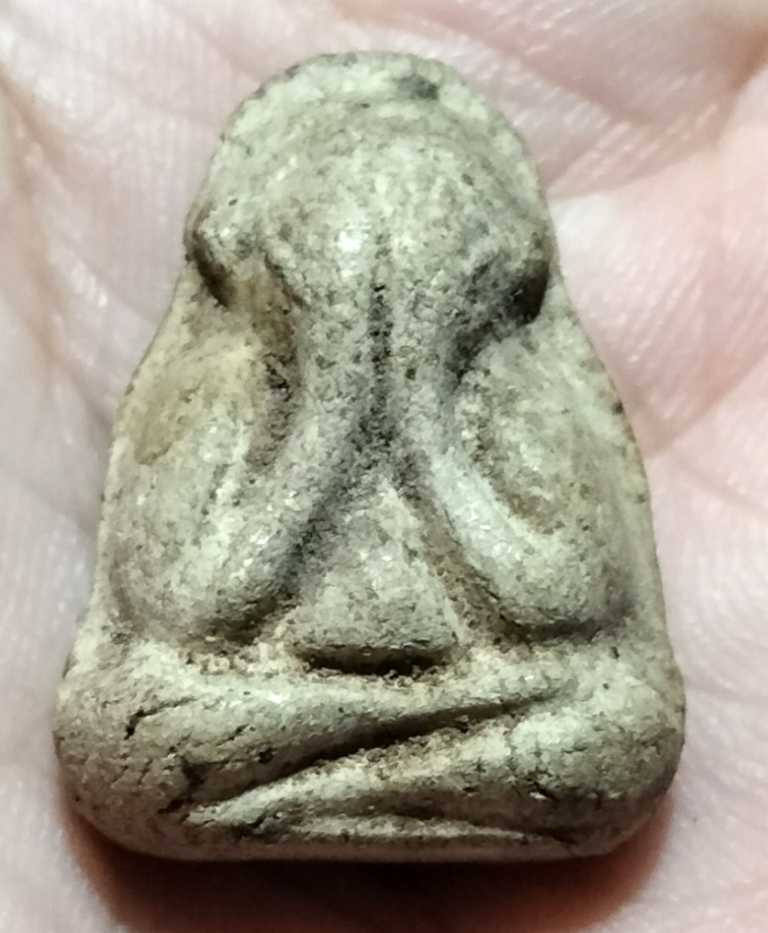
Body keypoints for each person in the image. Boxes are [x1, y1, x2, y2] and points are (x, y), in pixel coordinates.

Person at [0, 1, 765, 930]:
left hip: (473, 701)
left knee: (620, 740)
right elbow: (193, 609)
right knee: (122, 749)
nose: (377, 301)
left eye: (416, 277)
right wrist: (328, 414)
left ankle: (310, 791)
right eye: (335, 274)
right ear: (256, 265)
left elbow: (561, 604)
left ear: (494, 278)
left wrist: (426, 414)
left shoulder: (516, 394)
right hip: (273, 705)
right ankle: (411, 781)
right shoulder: (218, 389)